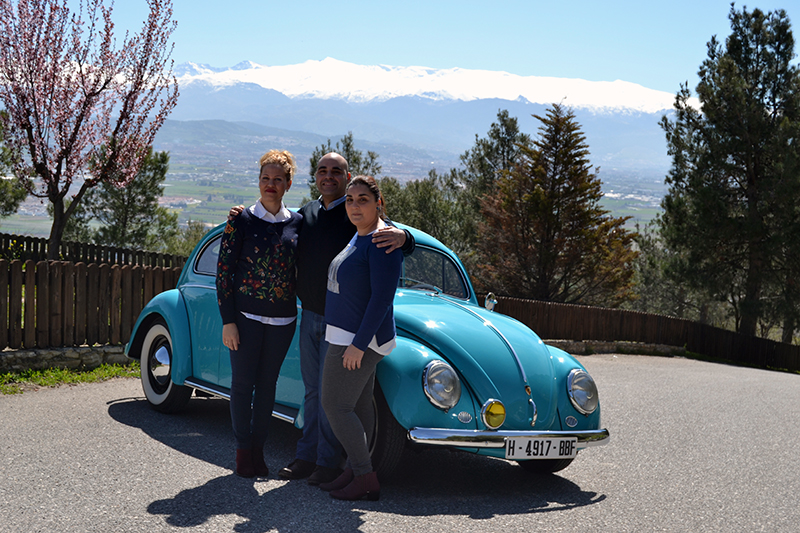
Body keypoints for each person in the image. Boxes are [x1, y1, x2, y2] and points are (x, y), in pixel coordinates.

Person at [230, 152, 413, 486]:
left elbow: (383, 231)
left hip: (346, 324)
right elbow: (274, 230)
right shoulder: (307, 214)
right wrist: (240, 215)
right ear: (315, 176)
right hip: (311, 314)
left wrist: (405, 237)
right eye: (322, 170)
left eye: (337, 171)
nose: (329, 176)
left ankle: (330, 463)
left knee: (335, 398)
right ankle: (307, 456)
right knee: (314, 392)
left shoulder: (355, 212)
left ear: (347, 176)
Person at [216, 150, 302, 478]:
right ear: (259, 180)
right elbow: (224, 273)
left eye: (278, 179)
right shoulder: (241, 219)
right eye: (266, 178)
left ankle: (258, 450)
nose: (271, 184)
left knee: (268, 387)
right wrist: (228, 320)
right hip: (245, 319)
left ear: (288, 184)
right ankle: (241, 451)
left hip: (283, 322)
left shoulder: (298, 224)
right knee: (242, 385)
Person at [318, 175, 403, 501]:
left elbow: (382, 299)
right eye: (350, 200)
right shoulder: (361, 235)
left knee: (335, 406)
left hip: (357, 340)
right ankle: (356, 469)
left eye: (362, 199)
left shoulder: (382, 241)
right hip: (346, 334)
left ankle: (365, 476)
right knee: (359, 405)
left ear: (378, 203)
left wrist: (357, 344)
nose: (354, 205)